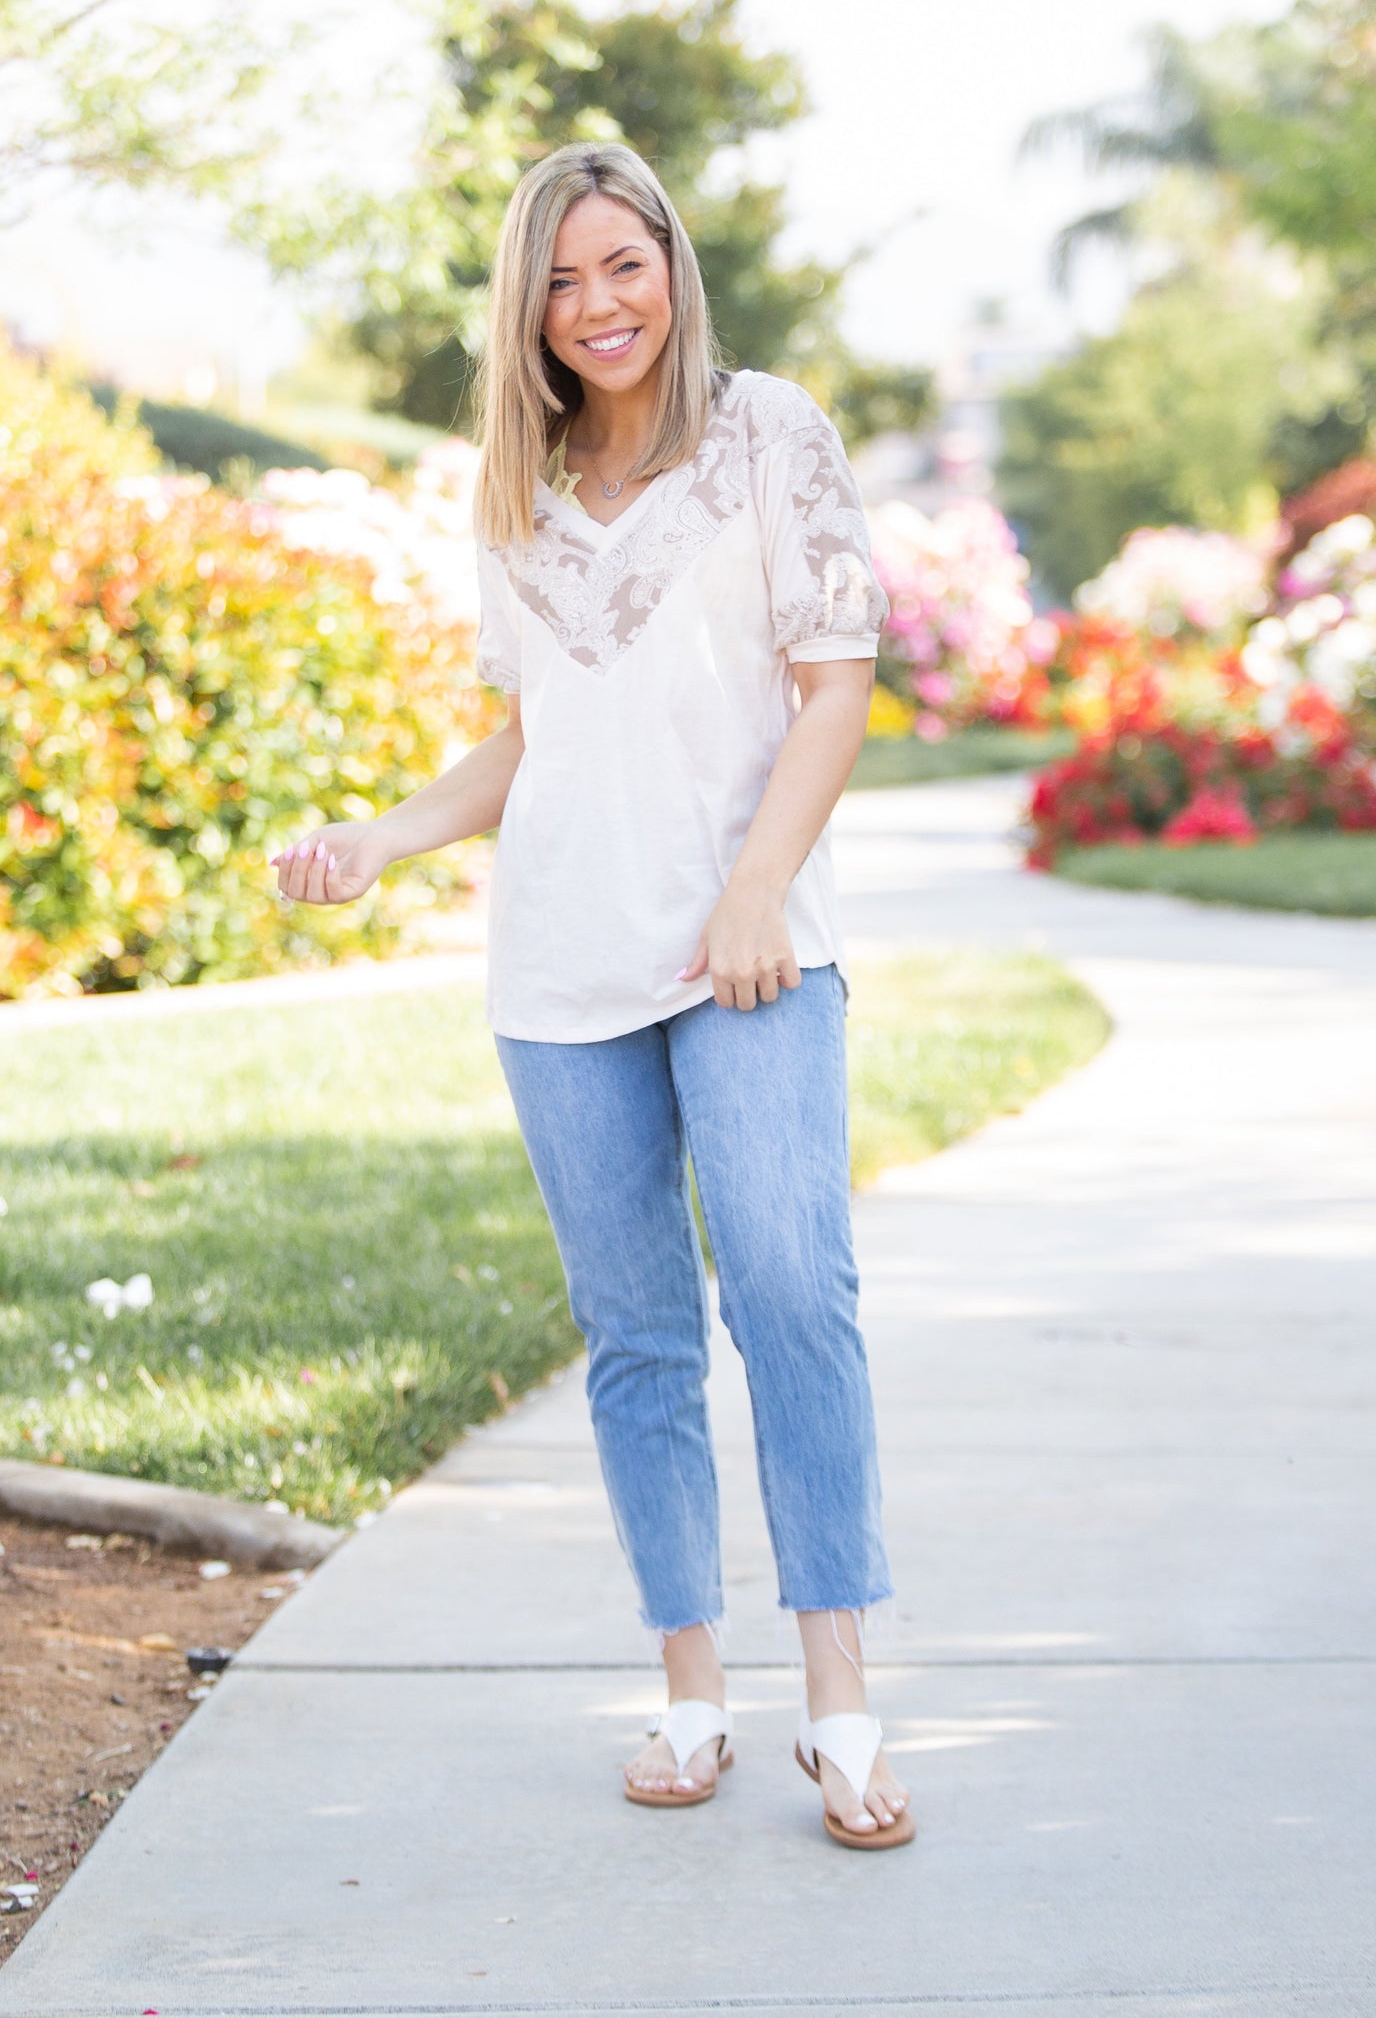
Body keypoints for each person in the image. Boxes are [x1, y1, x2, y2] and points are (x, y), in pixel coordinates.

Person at [273, 142, 914, 1851]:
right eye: (560, 281)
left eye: (621, 264)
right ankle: (692, 1695)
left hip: (747, 950)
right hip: (560, 964)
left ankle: (840, 1711)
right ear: (527, 310)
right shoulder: (518, 486)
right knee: (635, 1338)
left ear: (671, 266)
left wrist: (758, 886)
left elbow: (834, 685)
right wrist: (382, 839)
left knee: (789, 1285)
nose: (597, 305)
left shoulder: (770, 432)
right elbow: (532, 732)